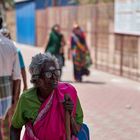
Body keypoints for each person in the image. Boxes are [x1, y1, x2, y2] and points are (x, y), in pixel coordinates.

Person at [10, 53, 89, 140]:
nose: (54, 77)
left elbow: (77, 131)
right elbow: (15, 129)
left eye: (56, 72)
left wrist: (70, 115)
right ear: (37, 78)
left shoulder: (68, 92)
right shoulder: (26, 99)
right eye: (48, 74)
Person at [0, 17, 21, 140]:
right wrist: (14, 100)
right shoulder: (10, 45)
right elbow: (17, 76)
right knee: (6, 130)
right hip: (6, 93)